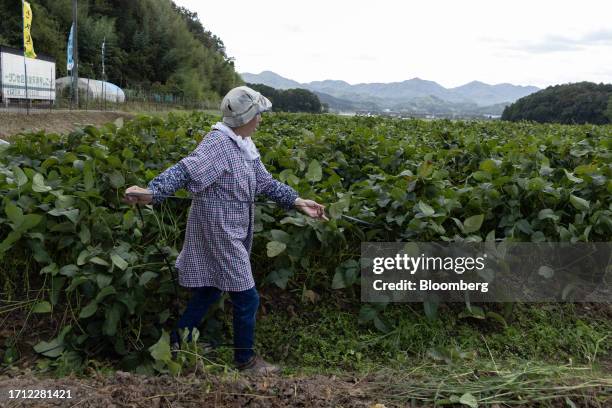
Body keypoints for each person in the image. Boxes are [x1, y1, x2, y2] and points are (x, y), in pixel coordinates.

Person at [124, 86, 328, 375]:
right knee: (248, 296)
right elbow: (186, 170)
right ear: (245, 116)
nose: (260, 120)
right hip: (219, 230)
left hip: (231, 227)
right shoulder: (219, 143)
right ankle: (245, 360)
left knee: (211, 287)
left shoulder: (242, 144)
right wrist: (152, 192)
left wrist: (297, 201)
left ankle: (176, 343)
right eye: (258, 114)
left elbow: (265, 183)